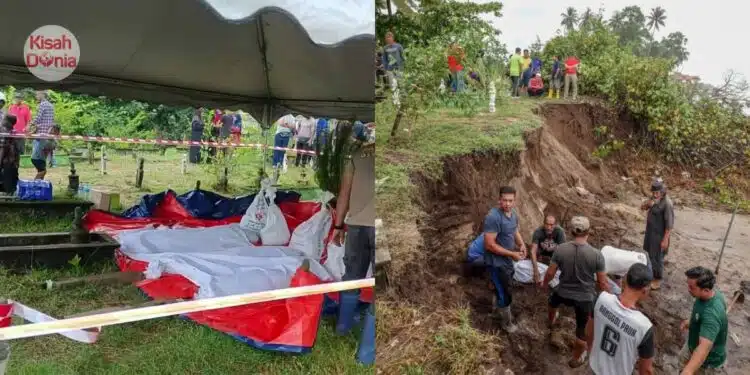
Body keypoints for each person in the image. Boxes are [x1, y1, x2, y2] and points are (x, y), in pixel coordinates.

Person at [330, 121, 375, 364]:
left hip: (356, 226)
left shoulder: (357, 155)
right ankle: (367, 355)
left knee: (352, 277)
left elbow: (343, 193)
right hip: (381, 229)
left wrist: (338, 226)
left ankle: (342, 328)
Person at [543, 215, 610, 368]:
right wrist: (608, 297)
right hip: (585, 298)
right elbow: (602, 282)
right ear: (588, 232)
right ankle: (576, 358)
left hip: (563, 292)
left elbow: (550, 273)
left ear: (571, 231)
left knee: (552, 302)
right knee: (581, 332)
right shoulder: (596, 255)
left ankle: (551, 321)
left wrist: (545, 284)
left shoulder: (561, 249)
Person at [587, 263, 655, 375]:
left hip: (594, 367)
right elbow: (646, 370)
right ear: (645, 290)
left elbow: (589, 332)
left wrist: (592, 353)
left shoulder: (601, 299)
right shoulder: (644, 327)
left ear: (625, 280)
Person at [483, 185, 527, 333]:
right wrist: (512, 254)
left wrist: (521, 244)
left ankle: (496, 309)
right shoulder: (493, 217)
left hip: (507, 260)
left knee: (500, 287)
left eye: (510, 201)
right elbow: (489, 245)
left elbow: (514, 230)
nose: (507, 204)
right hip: (497, 263)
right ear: (499, 200)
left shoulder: (513, 214)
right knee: (505, 293)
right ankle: (506, 324)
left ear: (515, 201)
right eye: (504, 200)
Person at [679, 267, 728, 374]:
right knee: (682, 361)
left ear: (705, 290)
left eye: (691, 287)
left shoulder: (711, 315)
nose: (688, 289)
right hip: (692, 345)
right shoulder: (710, 294)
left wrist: (687, 371)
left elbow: (703, 349)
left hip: (708, 362)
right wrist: (691, 322)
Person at [640, 178, 674, 290]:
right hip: (650, 232)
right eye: (653, 193)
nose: (655, 195)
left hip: (659, 235)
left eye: (657, 193)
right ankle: (651, 274)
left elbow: (669, 225)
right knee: (649, 254)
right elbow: (643, 208)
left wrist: (665, 240)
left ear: (662, 191)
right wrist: (647, 204)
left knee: (657, 258)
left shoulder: (667, 204)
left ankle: (657, 279)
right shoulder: (654, 199)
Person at [530, 214, 566, 284]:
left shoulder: (560, 232)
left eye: (551, 225)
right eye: (547, 224)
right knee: (533, 250)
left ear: (555, 225)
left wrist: (553, 267)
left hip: (554, 254)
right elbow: (532, 251)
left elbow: (562, 252)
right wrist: (536, 271)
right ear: (543, 224)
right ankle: (540, 260)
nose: (549, 227)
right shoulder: (538, 231)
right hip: (541, 252)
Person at [28, 90, 55, 180]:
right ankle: (39, 184)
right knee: (42, 163)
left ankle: (35, 184)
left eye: (37, 94)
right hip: (48, 135)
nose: (36, 96)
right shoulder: (51, 105)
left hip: (41, 135)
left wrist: (29, 125)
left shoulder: (42, 105)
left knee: (37, 160)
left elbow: (38, 118)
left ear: (42, 94)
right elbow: (51, 120)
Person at [0, 114, 19, 195]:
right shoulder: (13, 131)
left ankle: (8, 193)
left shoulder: (4, 132)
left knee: (6, 177)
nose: (2, 121)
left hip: (7, 160)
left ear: (7, 122)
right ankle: (10, 193)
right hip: (14, 160)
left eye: (4, 119)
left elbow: (2, 149)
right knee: (12, 177)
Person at [7, 92, 31, 156]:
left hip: (22, 133)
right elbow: (8, 121)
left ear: (22, 99)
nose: (17, 99)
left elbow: (28, 121)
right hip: (12, 133)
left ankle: (18, 164)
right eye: (16, 98)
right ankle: (12, 164)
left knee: (20, 151)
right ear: (14, 99)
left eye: (19, 98)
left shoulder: (26, 108)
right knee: (12, 150)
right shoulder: (11, 108)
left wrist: (27, 128)